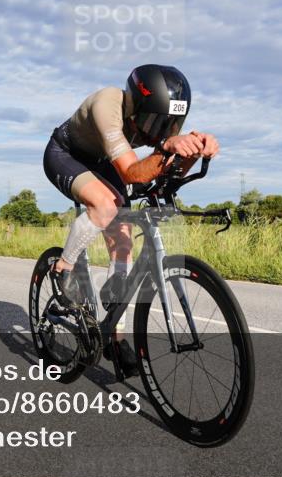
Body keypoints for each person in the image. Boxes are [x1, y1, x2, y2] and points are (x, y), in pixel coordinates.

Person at [42, 64, 219, 374]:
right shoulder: (108, 103)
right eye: (153, 121)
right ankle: (63, 269)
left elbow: (166, 175)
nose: (159, 129)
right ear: (135, 105)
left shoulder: (159, 123)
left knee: (123, 240)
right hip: (66, 154)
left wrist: (192, 152)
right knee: (107, 206)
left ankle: (114, 334)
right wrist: (166, 148)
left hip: (103, 160)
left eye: (168, 123)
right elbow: (131, 172)